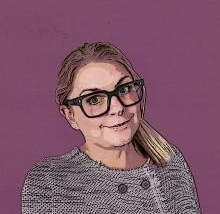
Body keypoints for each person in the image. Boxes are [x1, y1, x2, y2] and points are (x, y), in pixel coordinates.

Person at [21, 42, 202, 213]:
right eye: (94, 100)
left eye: (124, 89)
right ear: (70, 115)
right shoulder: (49, 180)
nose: (117, 108)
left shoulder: (170, 161)